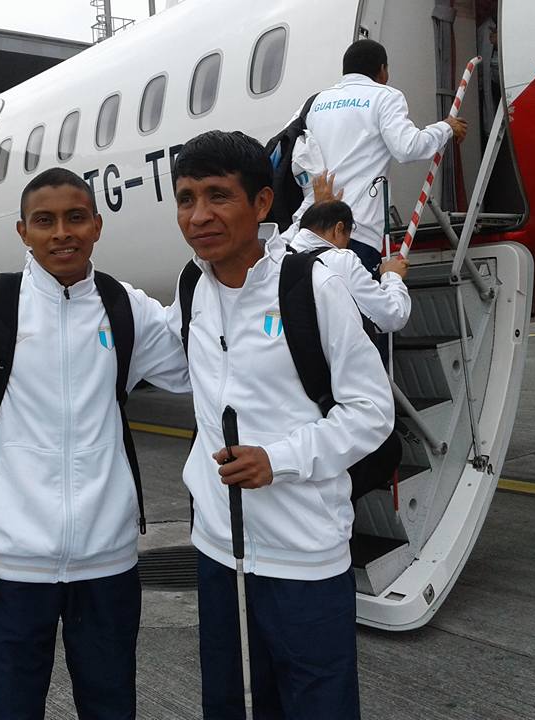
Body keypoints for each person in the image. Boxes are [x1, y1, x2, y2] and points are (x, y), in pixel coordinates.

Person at [0, 167, 188, 720]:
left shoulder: (124, 306)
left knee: (111, 704)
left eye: (75, 218)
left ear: (97, 225)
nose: (61, 232)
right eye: (45, 221)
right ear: (22, 232)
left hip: (107, 562)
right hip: (9, 565)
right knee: (8, 708)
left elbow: (194, 364)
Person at [168, 130, 394, 719]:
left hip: (305, 558)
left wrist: (279, 459)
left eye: (218, 196)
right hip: (219, 553)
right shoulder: (191, 287)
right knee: (231, 704)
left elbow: (371, 411)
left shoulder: (310, 286)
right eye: (186, 198)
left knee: (319, 706)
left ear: (262, 205)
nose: (199, 215)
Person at [290, 39, 468, 276]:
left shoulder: (313, 103)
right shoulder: (385, 96)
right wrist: (445, 128)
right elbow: (408, 148)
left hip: (312, 230)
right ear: (382, 69)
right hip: (356, 230)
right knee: (357, 309)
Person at [291, 198, 411, 337]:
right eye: (348, 237)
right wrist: (392, 276)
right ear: (339, 228)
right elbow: (392, 315)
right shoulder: (341, 260)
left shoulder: (280, 256)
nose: (346, 244)